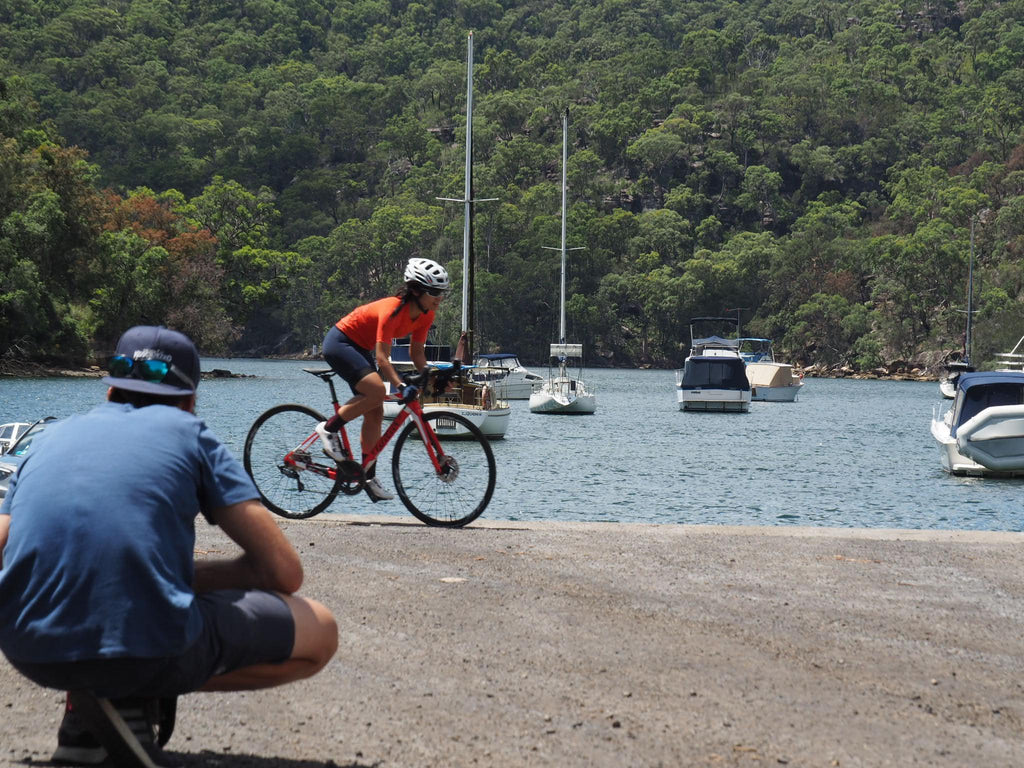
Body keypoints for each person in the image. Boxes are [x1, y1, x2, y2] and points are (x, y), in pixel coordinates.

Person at [0, 326, 338, 765]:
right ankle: (130, 695)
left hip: (31, 649)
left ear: (110, 391)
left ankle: (90, 714)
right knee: (320, 631)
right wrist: (179, 579)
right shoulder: (190, 432)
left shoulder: (47, 440)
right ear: (191, 401)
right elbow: (283, 571)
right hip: (144, 650)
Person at [316, 257, 450, 501]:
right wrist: (400, 385)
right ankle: (328, 429)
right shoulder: (392, 310)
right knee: (377, 392)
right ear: (417, 290)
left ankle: (368, 474)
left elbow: (417, 353)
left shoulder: (426, 314)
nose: (439, 297)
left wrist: (433, 376)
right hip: (341, 342)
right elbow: (382, 358)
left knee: (376, 411)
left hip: (360, 349)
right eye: (434, 292)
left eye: (442, 292)